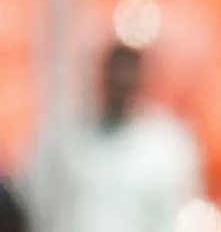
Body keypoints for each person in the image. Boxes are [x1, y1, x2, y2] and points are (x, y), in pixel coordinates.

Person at [22, 42, 203, 232]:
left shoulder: (168, 146)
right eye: (116, 74)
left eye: (128, 74)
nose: (122, 82)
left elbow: (177, 213)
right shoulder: (70, 140)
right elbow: (41, 204)